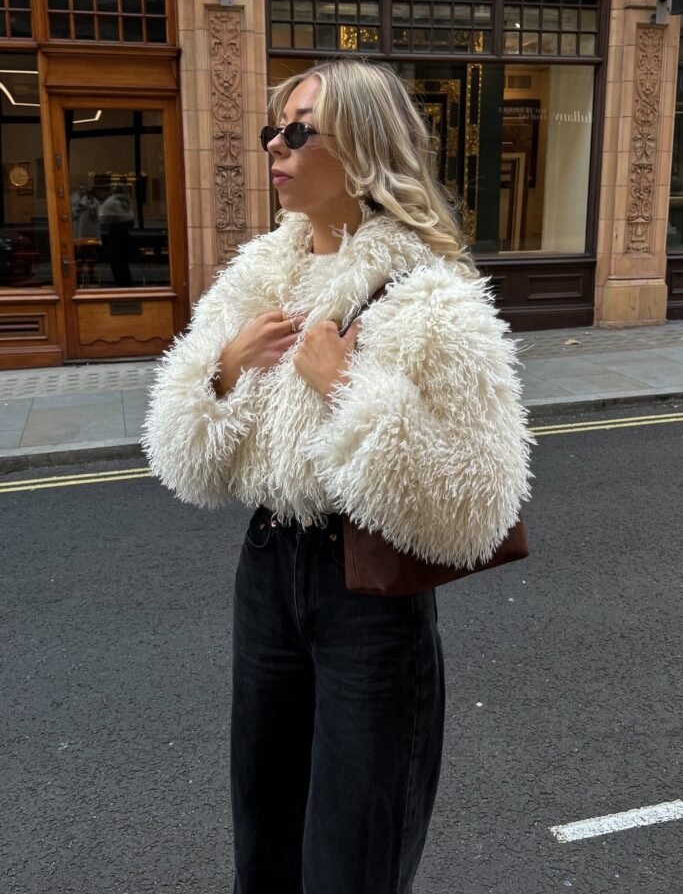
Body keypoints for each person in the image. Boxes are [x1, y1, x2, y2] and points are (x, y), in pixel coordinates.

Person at [143, 59, 532, 894]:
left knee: (352, 854)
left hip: (364, 592)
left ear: (361, 149)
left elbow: (478, 501)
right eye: (271, 131)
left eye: (298, 130)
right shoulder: (254, 283)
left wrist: (347, 388)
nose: (275, 147)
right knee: (266, 830)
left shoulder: (433, 300)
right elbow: (184, 459)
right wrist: (221, 371)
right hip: (266, 572)